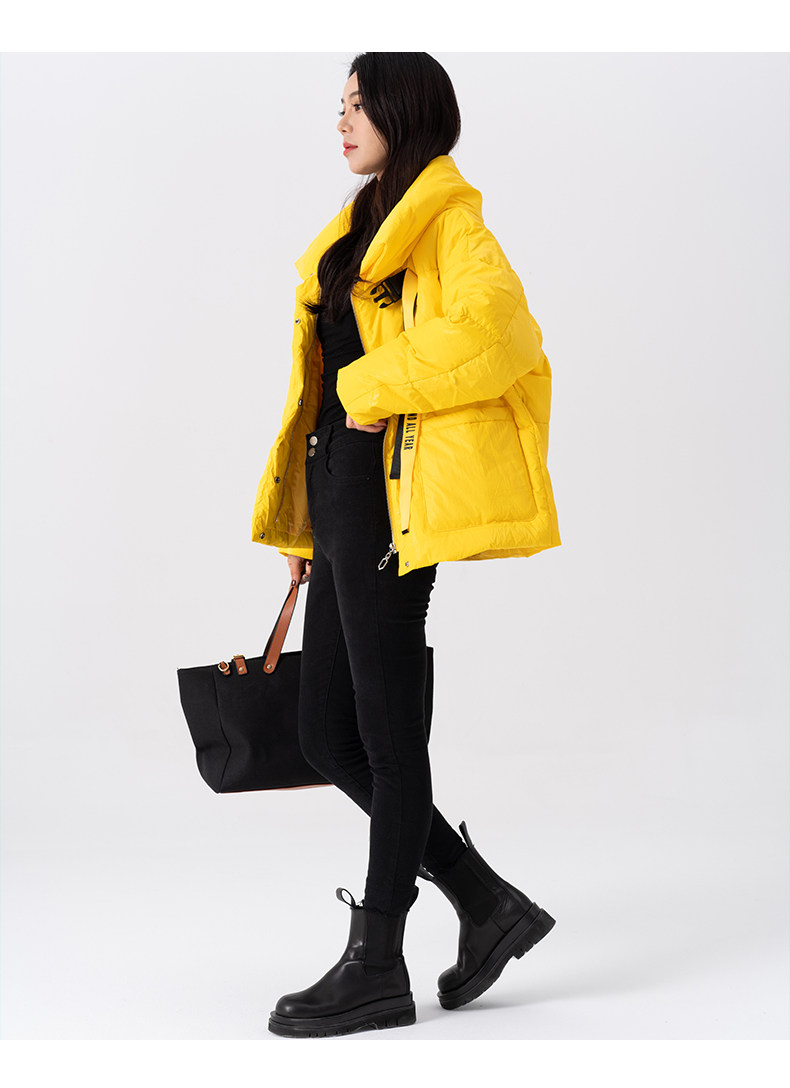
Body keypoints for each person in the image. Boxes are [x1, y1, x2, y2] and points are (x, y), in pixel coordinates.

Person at [251, 52, 561, 1039]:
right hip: (339, 494)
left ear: (403, 109)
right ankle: (485, 899)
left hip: (391, 501)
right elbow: (323, 383)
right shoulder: (360, 227)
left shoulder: (447, 224)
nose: (341, 120)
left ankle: (377, 960)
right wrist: (303, 519)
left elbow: (498, 331)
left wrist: (372, 388)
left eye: (358, 104)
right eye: (338, 104)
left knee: (385, 736)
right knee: (323, 733)